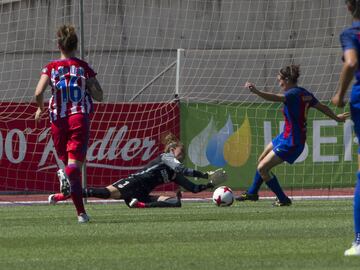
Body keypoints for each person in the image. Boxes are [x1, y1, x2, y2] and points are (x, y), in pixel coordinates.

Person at [236, 64, 349, 207]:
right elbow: (323, 107)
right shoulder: (305, 93)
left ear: (288, 79)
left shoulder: (292, 94)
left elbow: (275, 98)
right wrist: (337, 118)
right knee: (261, 160)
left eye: (280, 80)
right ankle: (252, 192)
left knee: (262, 168)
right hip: (286, 135)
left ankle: (283, 199)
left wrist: (257, 92)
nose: (279, 83)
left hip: (292, 141)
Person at [34, 24, 103, 223]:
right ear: (76, 45)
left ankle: (69, 194)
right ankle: (81, 213)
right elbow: (99, 95)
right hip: (78, 117)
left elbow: (38, 93)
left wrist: (40, 108)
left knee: (70, 167)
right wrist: (90, 90)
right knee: (74, 168)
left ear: (59, 45)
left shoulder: (51, 67)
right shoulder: (83, 67)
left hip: (57, 120)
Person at [48, 134, 227, 208]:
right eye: (181, 151)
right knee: (105, 193)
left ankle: (139, 204)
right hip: (135, 181)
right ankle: (67, 192)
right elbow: (182, 168)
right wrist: (205, 174)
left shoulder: (174, 172)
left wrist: (210, 184)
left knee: (176, 203)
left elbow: (194, 188)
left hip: (143, 192)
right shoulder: (166, 157)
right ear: (172, 149)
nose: (183, 154)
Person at [332, 0, 360, 256]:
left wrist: (340, 94)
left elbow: (351, 63)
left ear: (350, 6)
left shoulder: (351, 34)